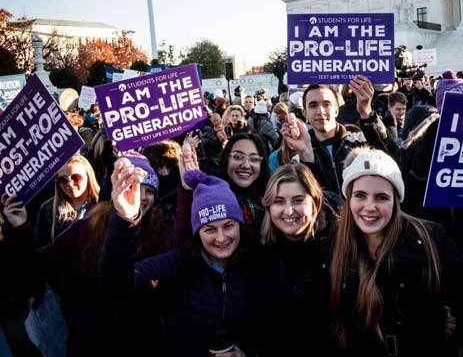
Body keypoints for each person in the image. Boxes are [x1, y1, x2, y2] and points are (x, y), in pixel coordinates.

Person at [327, 147, 463, 356]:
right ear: (349, 199)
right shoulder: (334, 245)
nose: (370, 207)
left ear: (396, 201)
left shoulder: (430, 237)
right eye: (360, 195)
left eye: (381, 197)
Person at [1, 152, 170, 356]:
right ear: (115, 190)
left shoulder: (162, 231)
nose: (140, 197)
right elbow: (39, 265)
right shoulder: (86, 226)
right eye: (132, 186)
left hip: (140, 341)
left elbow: (122, 286)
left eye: (149, 190)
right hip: (88, 341)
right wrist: (20, 228)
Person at [99, 162, 268, 357]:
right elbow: (115, 285)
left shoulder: (258, 264)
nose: (221, 238)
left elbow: (273, 327)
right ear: (198, 232)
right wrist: (124, 221)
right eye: (210, 229)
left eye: (228, 226)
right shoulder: (180, 262)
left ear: (239, 224)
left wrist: (249, 352)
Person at [260, 164, 338, 357]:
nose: (289, 211)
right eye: (279, 201)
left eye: (298, 200)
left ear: (315, 202)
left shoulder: (339, 247)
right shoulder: (259, 255)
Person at [280, 76, 389, 196]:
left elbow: (389, 161)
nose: (320, 111)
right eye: (313, 105)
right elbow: (311, 195)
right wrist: (307, 157)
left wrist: (367, 113)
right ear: (304, 113)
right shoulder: (300, 151)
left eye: (327, 104)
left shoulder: (357, 136)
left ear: (337, 110)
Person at [33, 154, 100, 248]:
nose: (70, 184)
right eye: (63, 180)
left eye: (76, 178)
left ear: (88, 176)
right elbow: (39, 249)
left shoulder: (104, 203)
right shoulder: (47, 209)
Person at [220, 133, 270, 236]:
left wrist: (306, 153)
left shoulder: (271, 196)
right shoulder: (212, 198)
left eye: (254, 159)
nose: (246, 165)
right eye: (238, 157)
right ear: (226, 159)